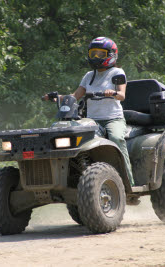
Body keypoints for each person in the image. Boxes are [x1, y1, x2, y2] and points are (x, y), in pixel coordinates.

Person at [44, 37, 135, 186]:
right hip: (92, 121)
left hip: (113, 119)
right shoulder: (88, 76)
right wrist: (58, 98)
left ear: (111, 55)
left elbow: (122, 95)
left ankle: (129, 181)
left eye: (100, 54)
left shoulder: (117, 72)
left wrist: (111, 92)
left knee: (117, 138)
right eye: (93, 54)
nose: (96, 57)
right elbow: (75, 96)